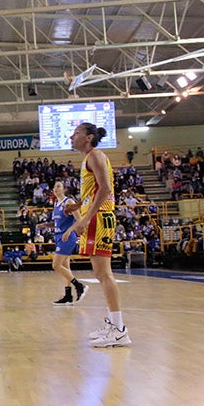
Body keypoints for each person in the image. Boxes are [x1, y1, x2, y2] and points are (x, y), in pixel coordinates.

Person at [63, 123, 131, 348]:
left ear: (89, 137)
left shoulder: (96, 155)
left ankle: (119, 329)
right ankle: (114, 324)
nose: (72, 136)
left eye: (77, 133)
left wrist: (85, 218)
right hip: (96, 216)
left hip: (100, 218)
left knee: (104, 274)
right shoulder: (88, 158)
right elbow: (94, 191)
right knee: (101, 273)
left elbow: (106, 188)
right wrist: (78, 206)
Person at [49, 181, 88, 305]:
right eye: (54, 186)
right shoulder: (56, 204)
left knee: (56, 265)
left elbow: (79, 220)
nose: (55, 188)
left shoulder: (69, 202)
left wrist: (69, 231)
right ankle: (68, 295)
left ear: (64, 189)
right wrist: (44, 225)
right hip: (59, 237)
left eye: (58, 186)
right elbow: (57, 224)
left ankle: (79, 285)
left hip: (67, 237)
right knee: (65, 267)